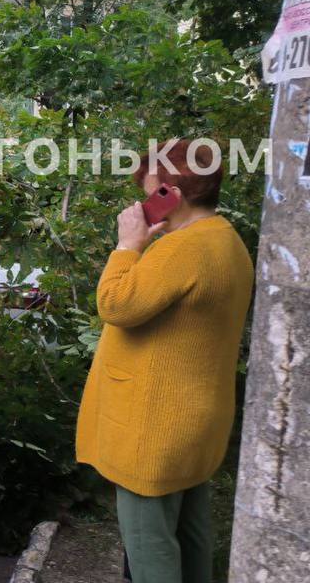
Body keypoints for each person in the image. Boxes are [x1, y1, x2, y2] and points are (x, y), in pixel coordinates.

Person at [76, 139, 254, 583]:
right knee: (190, 538)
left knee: (150, 548)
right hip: (196, 422)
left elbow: (116, 304)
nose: (143, 199)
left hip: (153, 429)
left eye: (150, 188)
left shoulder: (183, 249)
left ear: (173, 192)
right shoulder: (227, 241)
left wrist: (127, 245)